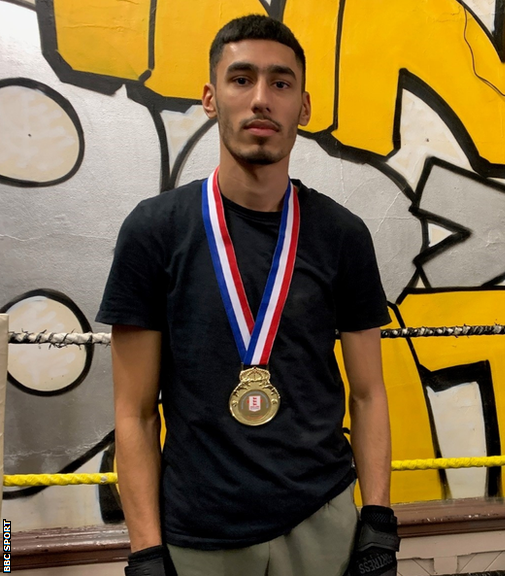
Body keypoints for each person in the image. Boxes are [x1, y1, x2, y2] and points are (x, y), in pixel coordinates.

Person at [98, 15, 399, 576]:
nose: (261, 99)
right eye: (241, 79)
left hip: (323, 518)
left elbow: (368, 392)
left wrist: (378, 521)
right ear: (211, 98)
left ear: (303, 107)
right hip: (196, 532)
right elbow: (134, 413)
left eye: (281, 83)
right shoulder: (153, 231)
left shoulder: (343, 235)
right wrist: (144, 550)